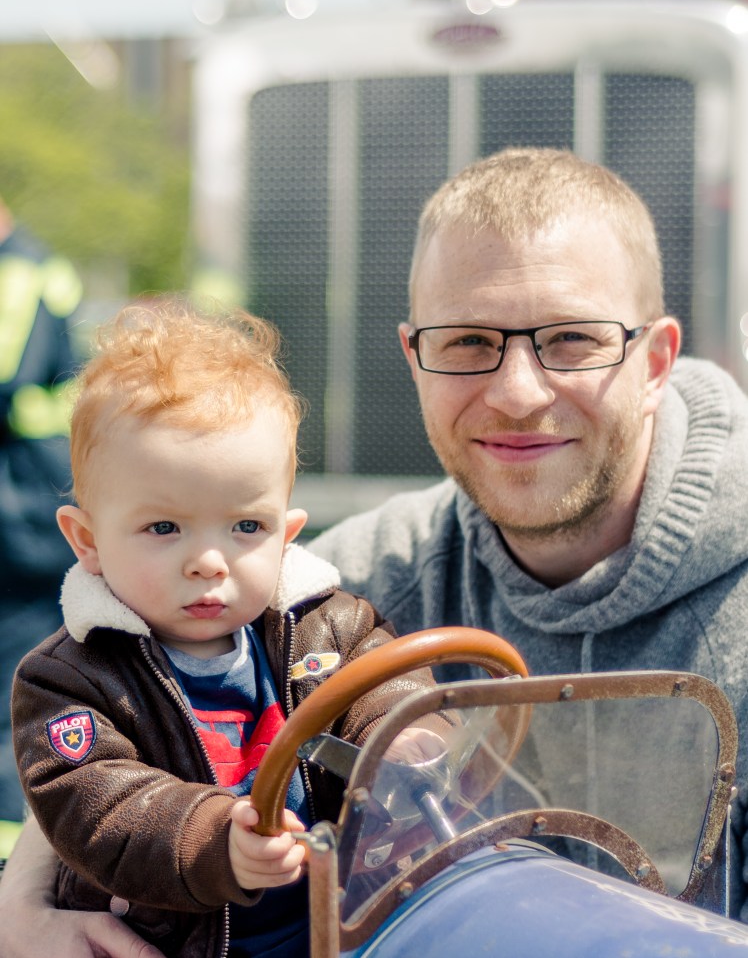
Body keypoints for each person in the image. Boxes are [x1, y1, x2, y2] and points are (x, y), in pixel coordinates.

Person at [4, 144, 748, 956]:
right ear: (413, 359)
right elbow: (114, 728)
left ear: (656, 361)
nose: (517, 392)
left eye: (572, 339)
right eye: (468, 341)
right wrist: (22, 903)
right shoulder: (357, 574)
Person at [9, 298, 441, 958]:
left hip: (333, 929)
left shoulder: (329, 626)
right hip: (174, 941)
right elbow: (97, 808)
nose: (209, 561)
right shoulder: (69, 679)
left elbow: (382, 684)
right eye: (164, 527)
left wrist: (402, 732)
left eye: (246, 526)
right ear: (87, 541)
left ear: (286, 534)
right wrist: (214, 840)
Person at [0, 196, 80, 837]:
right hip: (25, 503)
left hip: (23, 512)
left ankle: (15, 843)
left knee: (16, 684)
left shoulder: (22, 269)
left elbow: (8, 375)